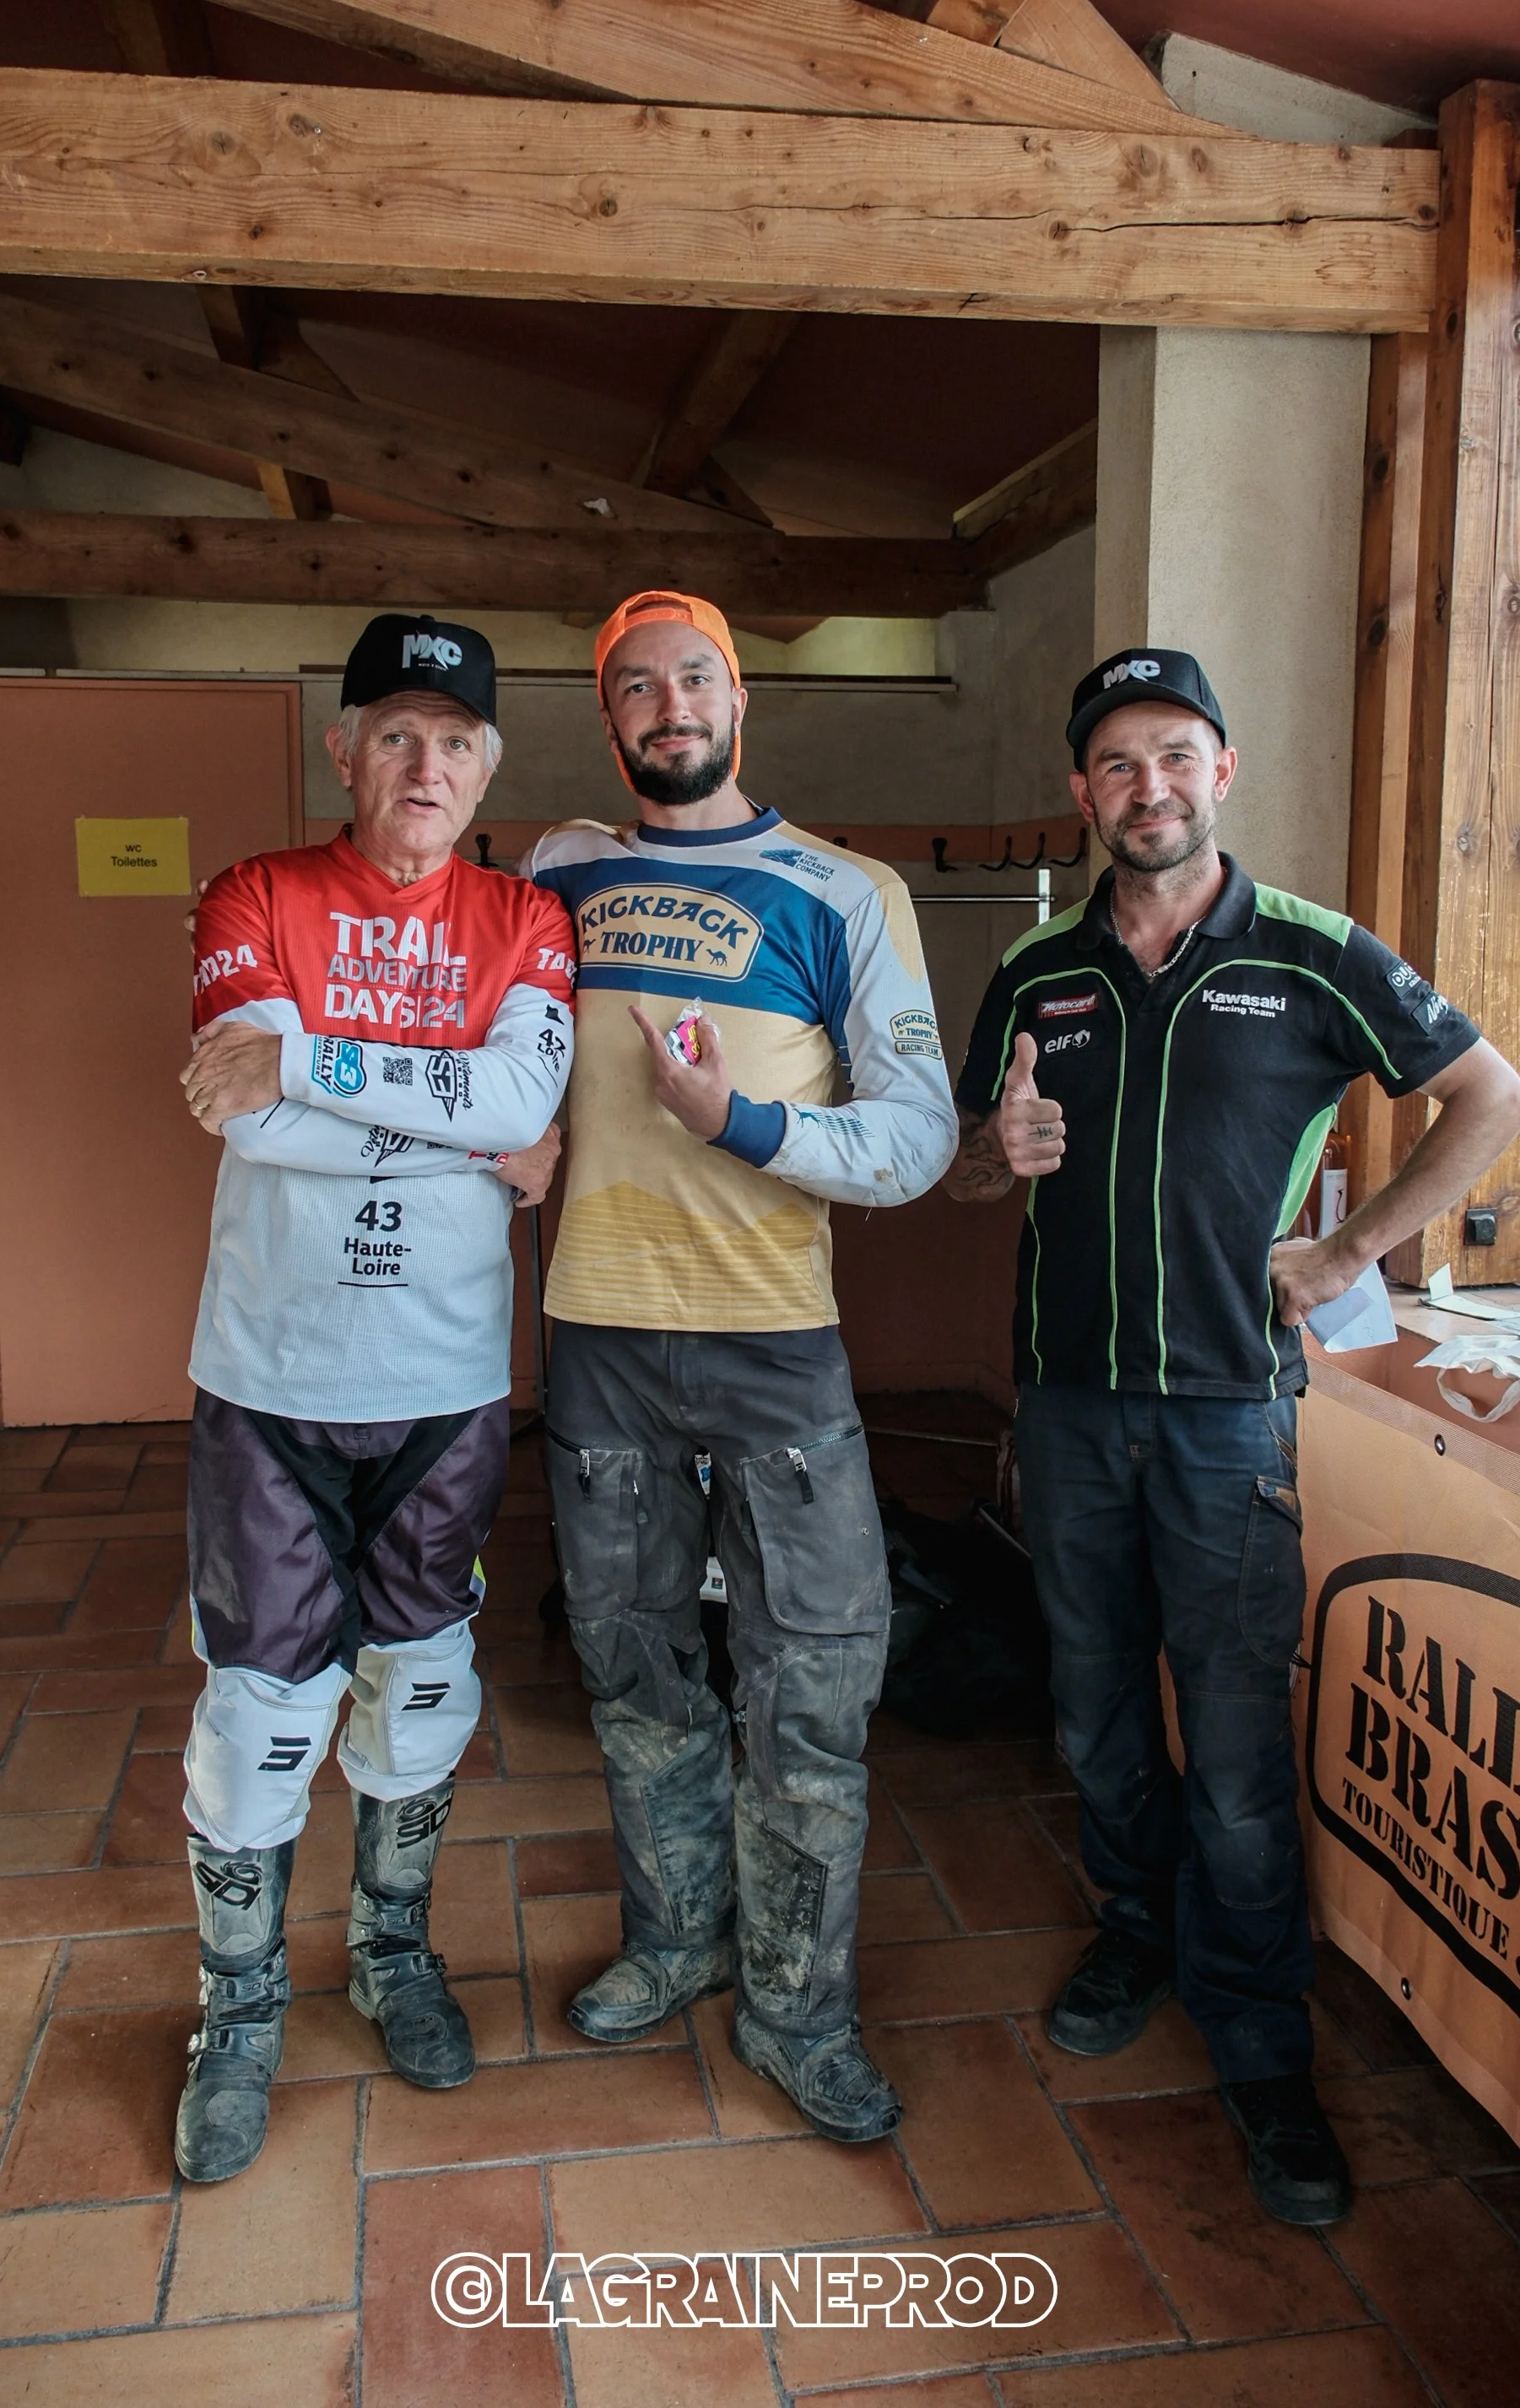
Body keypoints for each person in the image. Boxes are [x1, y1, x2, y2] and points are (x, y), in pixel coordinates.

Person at [949, 646, 1520, 2226]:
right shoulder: (1037, 973)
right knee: (1091, 1711)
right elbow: (962, 1174)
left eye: (1176, 756)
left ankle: (1261, 2046)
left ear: (1222, 773)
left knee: (1233, 1754)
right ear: (1083, 792)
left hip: (1225, 1421)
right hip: (1068, 1409)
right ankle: (1132, 1929)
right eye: (1117, 763)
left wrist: (1356, 1255)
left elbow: (1496, 1100)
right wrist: (987, 1151)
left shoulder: (1313, 953)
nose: (1148, 787)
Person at [526, 589, 957, 2142]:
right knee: (635, 1669)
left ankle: (796, 2008)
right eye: (632, 684)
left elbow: (915, 1137)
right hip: (601, 1337)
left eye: (692, 675)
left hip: (773, 1348)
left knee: (810, 1689)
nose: (666, 705)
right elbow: (482, 1031)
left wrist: (745, 1126)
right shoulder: (560, 873)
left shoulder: (840, 892)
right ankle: (674, 1939)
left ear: (737, 701)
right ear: (608, 716)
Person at [172, 613, 575, 2182]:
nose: (426, 762)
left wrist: (318, 1074)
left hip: (448, 1377)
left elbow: (522, 1100)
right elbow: (251, 1119)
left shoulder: (528, 915)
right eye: (395, 733)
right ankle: (242, 2007)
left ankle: (394, 1954)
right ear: (343, 748)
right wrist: (467, 1128)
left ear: (488, 767)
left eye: (456, 740)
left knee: (421, 1684)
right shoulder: (254, 893)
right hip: (271, 1375)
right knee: (260, 1710)